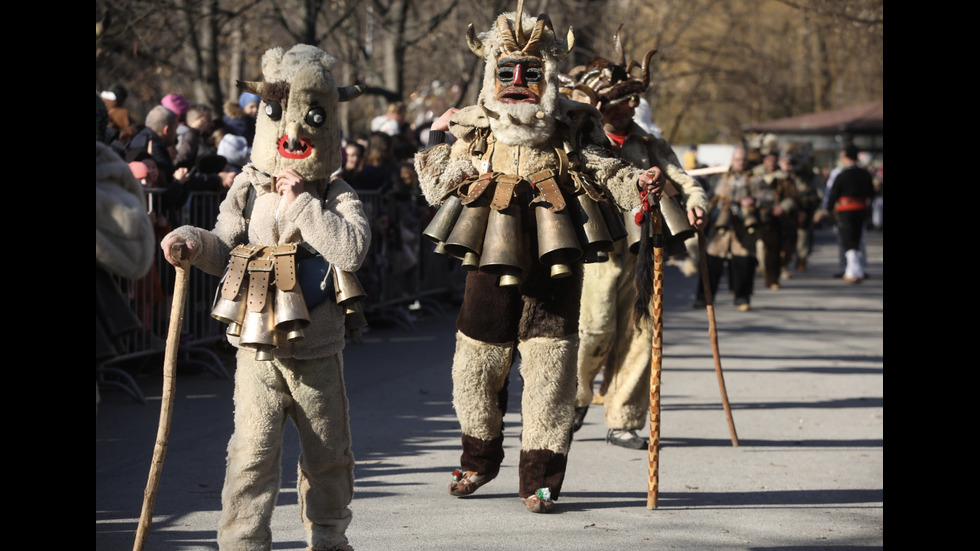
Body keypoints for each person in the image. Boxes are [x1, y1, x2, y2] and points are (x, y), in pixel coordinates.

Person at [414, 2, 667, 514]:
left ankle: (541, 479)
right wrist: (443, 140)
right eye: (505, 70)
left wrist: (638, 182)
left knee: (551, 370)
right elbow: (434, 186)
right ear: (491, 72)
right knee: (477, 364)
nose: (517, 80)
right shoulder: (476, 124)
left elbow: (605, 170)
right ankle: (478, 461)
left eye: (530, 72)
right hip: (489, 258)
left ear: (547, 74)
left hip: (557, 261)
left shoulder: (574, 122)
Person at [160, 44, 368, 551]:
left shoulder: (336, 190)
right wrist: (188, 240)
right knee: (250, 453)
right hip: (256, 346)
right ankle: (242, 543)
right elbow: (223, 247)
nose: (293, 131)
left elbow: (352, 250)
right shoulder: (247, 187)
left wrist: (302, 206)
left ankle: (329, 537)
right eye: (277, 114)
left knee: (327, 457)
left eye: (312, 117)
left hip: (317, 349)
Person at [562, 44, 708, 450]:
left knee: (642, 332)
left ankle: (623, 419)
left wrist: (696, 203)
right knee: (595, 330)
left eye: (629, 102)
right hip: (599, 252)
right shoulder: (585, 142)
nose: (624, 109)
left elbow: (685, 178)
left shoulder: (647, 142)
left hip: (645, 252)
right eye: (615, 103)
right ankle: (574, 399)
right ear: (599, 106)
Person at [695, 146, 762, 311]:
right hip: (721, 228)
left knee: (744, 263)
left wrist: (753, 201)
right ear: (733, 160)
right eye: (738, 159)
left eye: (744, 159)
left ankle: (742, 298)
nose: (741, 162)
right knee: (711, 263)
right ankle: (704, 298)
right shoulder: (722, 179)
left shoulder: (756, 179)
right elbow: (708, 198)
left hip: (745, 228)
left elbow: (767, 198)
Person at [820, 145, 874, 283]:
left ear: (847, 157)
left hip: (846, 210)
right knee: (858, 238)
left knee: (848, 239)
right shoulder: (865, 174)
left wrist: (827, 209)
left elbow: (833, 194)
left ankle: (851, 271)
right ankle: (858, 270)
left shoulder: (842, 175)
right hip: (861, 209)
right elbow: (871, 193)